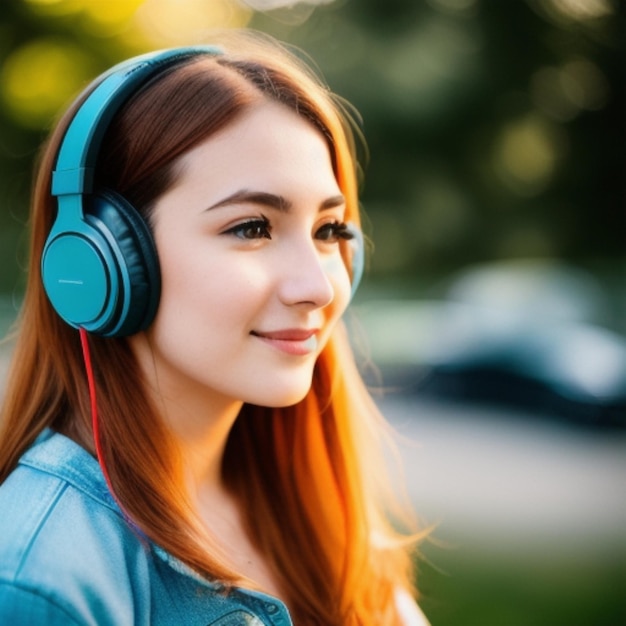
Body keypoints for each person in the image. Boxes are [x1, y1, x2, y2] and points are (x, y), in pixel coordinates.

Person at [0, 30, 429, 625]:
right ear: (101, 262)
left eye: (329, 231)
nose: (320, 287)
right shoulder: (41, 582)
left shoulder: (317, 516)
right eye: (253, 227)